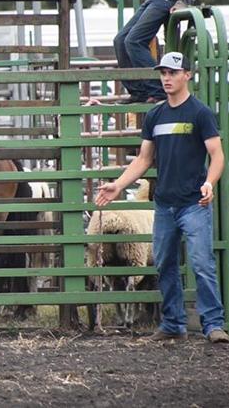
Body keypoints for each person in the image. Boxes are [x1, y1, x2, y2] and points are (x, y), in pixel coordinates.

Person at [95, 52, 228, 344]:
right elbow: (144, 159)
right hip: (165, 204)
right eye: (163, 73)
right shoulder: (155, 115)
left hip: (194, 203)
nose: (166, 78)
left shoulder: (200, 113)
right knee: (164, 263)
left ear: (186, 75)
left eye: (172, 72)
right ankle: (173, 324)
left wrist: (209, 182)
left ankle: (213, 324)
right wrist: (118, 185)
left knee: (201, 263)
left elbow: (217, 155)